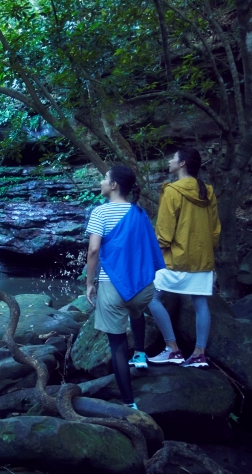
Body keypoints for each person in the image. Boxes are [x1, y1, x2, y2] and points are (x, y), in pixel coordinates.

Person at [85, 165, 165, 410]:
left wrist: (89, 283)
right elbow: (146, 248)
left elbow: (94, 251)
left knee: (117, 344)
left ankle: (130, 404)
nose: (101, 181)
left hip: (112, 287)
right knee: (136, 311)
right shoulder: (139, 213)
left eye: (104, 178)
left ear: (114, 185)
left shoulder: (100, 212)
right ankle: (140, 353)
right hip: (141, 288)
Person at [146, 148, 221, 368]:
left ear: (183, 164)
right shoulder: (207, 191)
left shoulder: (172, 191)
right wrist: (205, 250)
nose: (169, 160)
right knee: (200, 303)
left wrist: (158, 253)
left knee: (150, 296)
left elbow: (165, 231)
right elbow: (215, 230)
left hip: (175, 259)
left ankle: (172, 349)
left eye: (173, 158)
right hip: (202, 258)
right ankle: (199, 354)